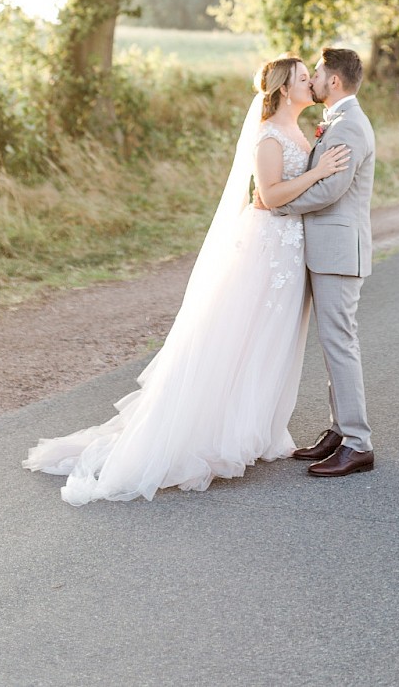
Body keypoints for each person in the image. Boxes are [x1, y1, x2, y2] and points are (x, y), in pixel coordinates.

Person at [22, 55, 350, 504]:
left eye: (310, 76)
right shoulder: (269, 136)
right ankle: (207, 436)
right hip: (266, 248)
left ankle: (256, 430)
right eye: (302, 77)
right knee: (237, 336)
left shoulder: (297, 128)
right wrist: (318, 171)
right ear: (282, 88)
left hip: (289, 252)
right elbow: (270, 196)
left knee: (271, 340)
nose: (310, 81)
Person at [267, 45, 376, 477]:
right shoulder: (339, 121)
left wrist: (277, 206)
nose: (311, 78)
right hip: (327, 249)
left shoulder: (350, 126)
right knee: (334, 342)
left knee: (340, 342)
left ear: (334, 81)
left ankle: (358, 442)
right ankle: (339, 430)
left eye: (315, 72)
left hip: (337, 252)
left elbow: (331, 191)